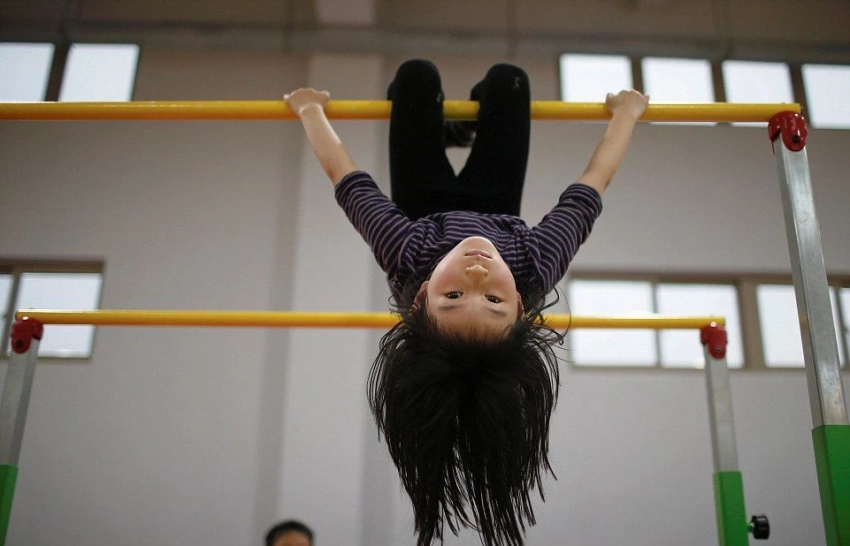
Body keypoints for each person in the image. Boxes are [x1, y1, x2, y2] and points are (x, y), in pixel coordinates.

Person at [285, 59, 647, 546]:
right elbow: (592, 185)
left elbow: (346, 178)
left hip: (421, 200)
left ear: (420, 298)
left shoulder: (408, 254)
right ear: (521, 305)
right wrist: (626, 114)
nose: (477, 274)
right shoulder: (534, 264)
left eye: (453, 295)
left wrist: (309, 110)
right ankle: (467, 120)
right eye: (493, 298)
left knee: (416, 77)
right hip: (496, 197)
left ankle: (442, 121)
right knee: (508, 81)